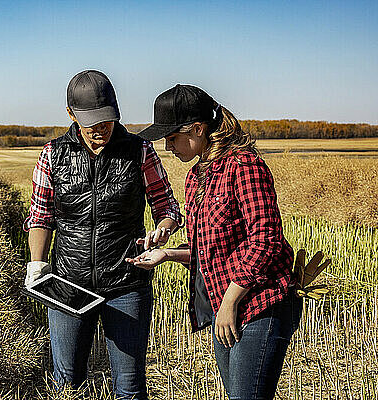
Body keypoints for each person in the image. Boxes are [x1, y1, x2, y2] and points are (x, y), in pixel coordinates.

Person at [126, 84, 302, 400]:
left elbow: (266, 238)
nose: (168, 146)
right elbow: (206, 247)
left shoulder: (243, 164)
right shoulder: (196, 177)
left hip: (261, 303)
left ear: (197, 128)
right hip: (225, 304)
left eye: (172, 137)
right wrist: (165, 254)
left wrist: (231, 301)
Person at [23, 70, 183, 399]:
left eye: (107, 119)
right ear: (71, 114)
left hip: (126, 283)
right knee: (66, 383)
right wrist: (36, 266)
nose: (100, 129)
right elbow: (41, 215)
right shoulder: (53, 154)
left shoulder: (140, 152)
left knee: (130, 386)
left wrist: (163, 230)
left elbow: (167, 206)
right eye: (91, 121)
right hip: (69, 284)